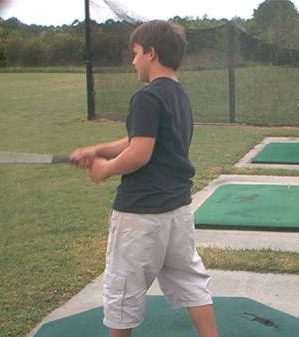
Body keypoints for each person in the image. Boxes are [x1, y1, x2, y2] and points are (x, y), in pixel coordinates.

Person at [70, 20, 219, 337]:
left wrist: (104, 169)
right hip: (177, 211)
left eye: (135, 53)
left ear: (151, 53)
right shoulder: (179, 95)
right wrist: (97, 150)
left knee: (123, 288)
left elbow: (140, 153)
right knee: (191, 280)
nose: (133, 61)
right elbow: (138, 140)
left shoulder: (146, 97)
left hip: (140, 215)